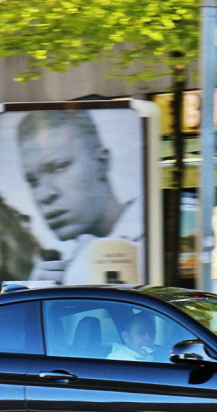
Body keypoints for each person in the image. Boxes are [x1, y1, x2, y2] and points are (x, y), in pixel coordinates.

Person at [15, 110, 142, 284]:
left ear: (102, 162)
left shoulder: (147, 246)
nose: (44, 195)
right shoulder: (71, 262)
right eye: (32, 181)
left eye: (59, 166)